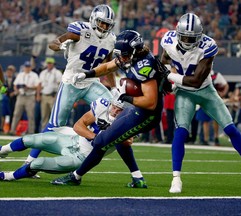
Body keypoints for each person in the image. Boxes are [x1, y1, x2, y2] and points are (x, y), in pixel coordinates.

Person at [160, 13, 241, 193]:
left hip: (206, 91)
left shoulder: (208, 46)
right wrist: (168, 72)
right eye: (185, 37)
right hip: (185, 94)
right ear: (177, 33)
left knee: (230, 128)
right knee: (180, 132)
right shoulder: (168, 40)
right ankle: (176, 178)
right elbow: (164, 60)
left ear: (200, 36)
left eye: (192, 37)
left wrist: (169, 77)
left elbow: (196, 81)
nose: (188, 41)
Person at [50, 30, 171, 186]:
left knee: (102, 141)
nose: (121, 59)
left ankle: (75, 177)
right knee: (119, 140)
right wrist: (86, 75)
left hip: (147, 115)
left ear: (134, 50)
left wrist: (125, 96)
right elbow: (107, 67)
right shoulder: (132, 56)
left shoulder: (144, 66)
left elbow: (150, 102)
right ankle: (137, 178)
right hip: (136, 108)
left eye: (125, 55)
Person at [25, 4, 117, 164]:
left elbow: (107, 66)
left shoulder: (110, 39)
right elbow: (54, 42)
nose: (104, 27)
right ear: (94, 20)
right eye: (101, 22)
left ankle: (88, 143)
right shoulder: (81, 30)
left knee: (113, 107)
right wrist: (60, 45)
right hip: (71, 82)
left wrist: (115, 88)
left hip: (91, 83)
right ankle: (29, 161)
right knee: (54, 125)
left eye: (107, 24)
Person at [0, 96, 147, 188]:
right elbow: (78, 125)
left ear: (126, 112)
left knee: (36, 164)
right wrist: (93, 136)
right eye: (114, 107)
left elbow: (128, 142)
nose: (114, 112)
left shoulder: (128, 122)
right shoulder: (102, 107)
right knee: (31, 139)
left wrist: (112, 131)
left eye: (119, 110)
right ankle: (3, 150)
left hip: (80, 157)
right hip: (72, 140)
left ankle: (9, 176)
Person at [9, 61, 40, 135]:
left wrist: (29, 87)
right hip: (21, 96)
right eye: (26, 67)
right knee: (16, 114)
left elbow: (37, 86)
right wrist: (17, 90)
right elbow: (15, 85)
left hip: (30, 96)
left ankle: (31, 131)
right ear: (24, 67)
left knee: (30, 115)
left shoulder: (34, 75)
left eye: (28, 67)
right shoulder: (20, 74)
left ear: (30, 67)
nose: (27, 68)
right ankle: (12, 130)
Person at [37, 57, 62, 130]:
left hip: (53, 96)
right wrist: (38, 95)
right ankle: (43, 131)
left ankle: (56, 131)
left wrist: (58, 96)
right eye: (48, 63)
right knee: (44, 115)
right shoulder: (43, 73)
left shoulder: (57, 73)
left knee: (54, 115)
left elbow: (60, 84)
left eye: (50, 63)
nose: (49, 65)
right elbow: (39, 84)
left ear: (53, 64)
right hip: (44, 96)